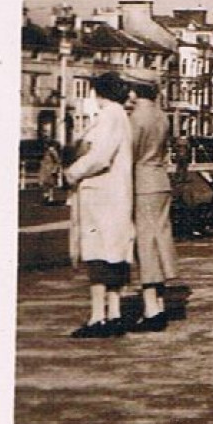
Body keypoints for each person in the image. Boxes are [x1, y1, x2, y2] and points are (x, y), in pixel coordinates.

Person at [60, 73, 136, 337]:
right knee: (113, 254)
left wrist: (73, 172)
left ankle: (98, 317)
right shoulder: (119, 116)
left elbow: (100, 156)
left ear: (98, 93)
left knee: (98, 255)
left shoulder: (109, 116)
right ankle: (113, 314)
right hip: (112, 195)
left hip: (102, 196)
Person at [124, 73, 178, 332]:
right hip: (160, 180)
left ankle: (151, 308)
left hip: (142, 183)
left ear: (134, 90)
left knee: (145, 242)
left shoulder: (136, 118)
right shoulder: (161, 115)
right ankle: (159, 300)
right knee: (160, 238)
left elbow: (128, 154)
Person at [36, 123, 63, 205]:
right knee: (43, 183)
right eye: (44, 131)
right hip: (45, 165)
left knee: (49, 183)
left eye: (47, 132)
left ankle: (49, 198)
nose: (45, 134)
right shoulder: (43, 143)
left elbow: (57, 158)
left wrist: (56, 167)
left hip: (49, 166)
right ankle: (47, 197)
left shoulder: (52, 146)